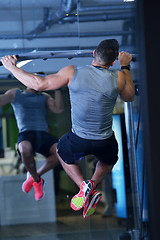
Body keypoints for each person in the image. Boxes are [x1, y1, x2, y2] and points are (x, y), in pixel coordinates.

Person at [1, 39, 135, 217]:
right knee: (108, 161)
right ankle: (92, 184)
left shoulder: (73, 72)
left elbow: (39, 84)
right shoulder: (118, 76)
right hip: (104, 140)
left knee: (62, 152)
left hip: (79, 139)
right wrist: (125, 67)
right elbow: (129, 97)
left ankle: (83, 186)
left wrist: (11, 67)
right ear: (113, 62)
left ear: (94, 53)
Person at [0, 87, 64, 200]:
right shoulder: (16, 93)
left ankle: (35, 177)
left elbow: (58, 109)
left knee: (62, 153)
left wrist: (57, 89)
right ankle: (37, 180)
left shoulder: (44, 96)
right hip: (26, 132)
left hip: (43, 133)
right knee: (24, 149)